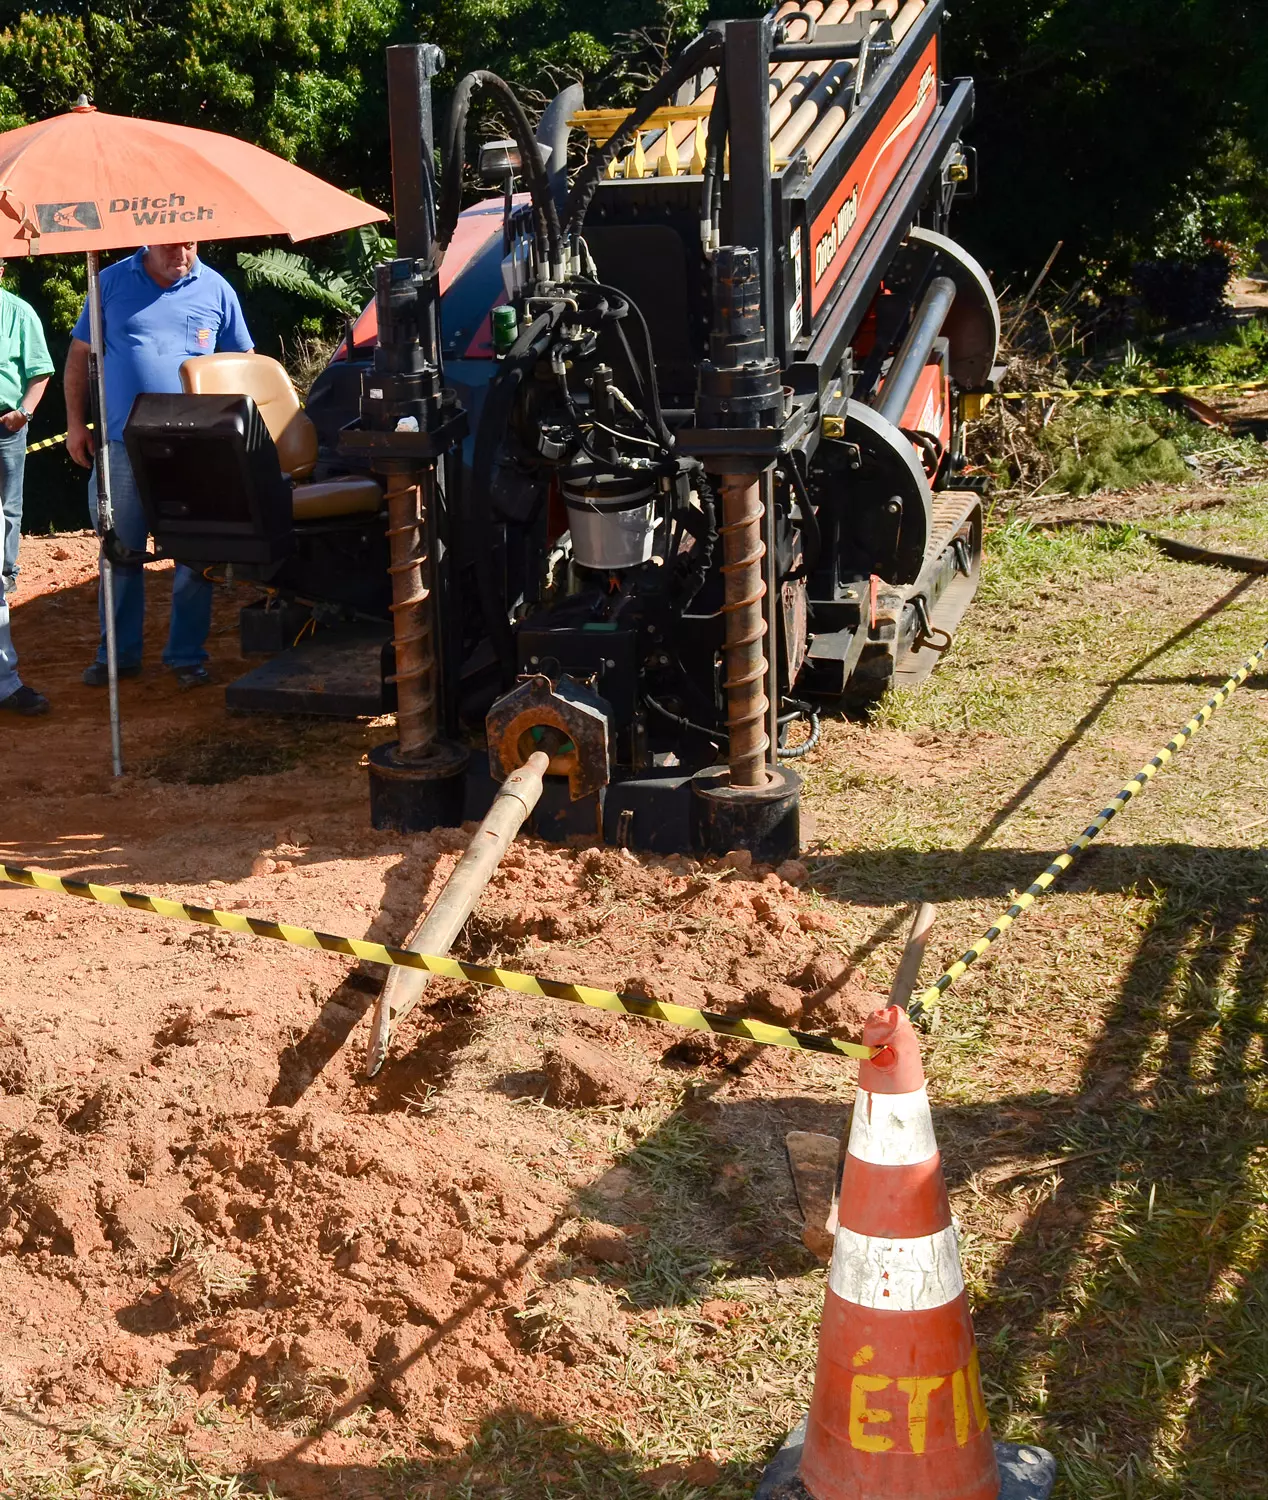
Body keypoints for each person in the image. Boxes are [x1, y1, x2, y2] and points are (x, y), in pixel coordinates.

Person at [65, 241, 253, 688]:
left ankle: (186, 656)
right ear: (149, 243)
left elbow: (242, 364)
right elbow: (79, 358)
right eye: (171, 246)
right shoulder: (108, 284)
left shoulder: (217, 289)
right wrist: (75, 423)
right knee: (119, 552)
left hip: (197, 450)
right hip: (122, 447)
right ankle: (118, 656)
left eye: (189, 246)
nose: (181, 255)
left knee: (196, 557)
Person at [0, 259, 53, 715]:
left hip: (6, 428)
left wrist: (24, 413)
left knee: (6, 517)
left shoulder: (19, 313)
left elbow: (40, 370)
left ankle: (6, 571)